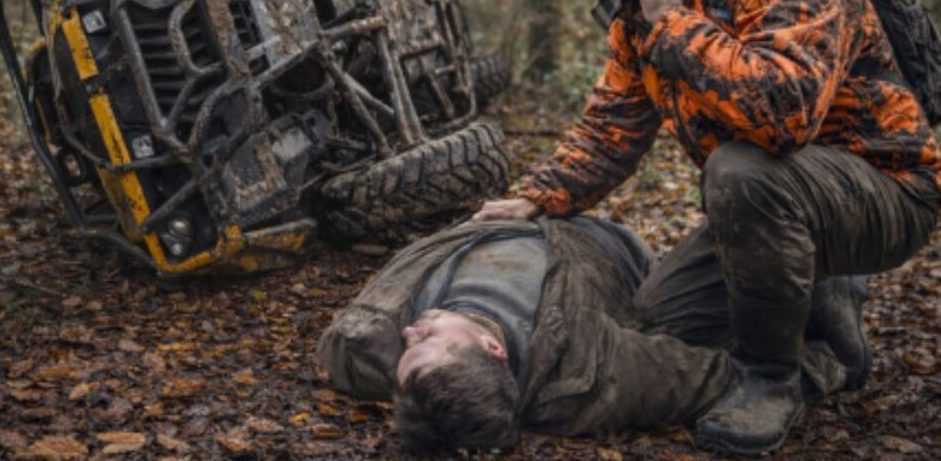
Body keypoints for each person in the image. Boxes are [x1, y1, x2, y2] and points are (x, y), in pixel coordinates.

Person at [474, 0, 941, 454]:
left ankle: (770, 380)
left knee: (741, 172)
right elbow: (612, 126)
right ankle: (828, 336)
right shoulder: (637, 9)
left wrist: (673, 23)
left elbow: (783, 117)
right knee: (660, 322)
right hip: (783, 200)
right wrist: (538, 199)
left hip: (887, 190)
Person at [316, 215, 867, 452]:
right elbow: (723, 379)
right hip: (605, 247)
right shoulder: (586, 378)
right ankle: (828, 270)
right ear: (492, 349)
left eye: (409, 352)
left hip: (508, 213)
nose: (411, 332)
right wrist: (829, 365)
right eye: (425, 345)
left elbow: (344, 348)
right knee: (749, 200)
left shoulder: (362, 355)